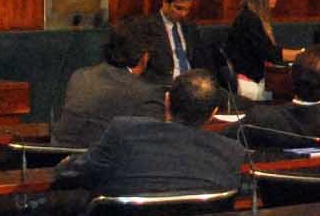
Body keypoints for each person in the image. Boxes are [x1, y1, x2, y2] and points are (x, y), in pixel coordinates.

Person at [51, 71, 244, 197]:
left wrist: (64, 165)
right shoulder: (231, 152)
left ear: (166, 101)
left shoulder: (125, 132)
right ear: (213, 114)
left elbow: (76, 172)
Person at [54, 29, 165, 148]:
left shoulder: (80, 75)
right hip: (100, 162)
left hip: (59, 159)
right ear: (145, 57)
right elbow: (151, 144)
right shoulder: (146, 93)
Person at [117, 0, 204, 83]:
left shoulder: (190, 28)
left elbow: (201, 63)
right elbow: (139, 67)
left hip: (192, 86)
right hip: (162, 87)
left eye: (187, 9)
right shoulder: (145, 27)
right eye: (179, 8)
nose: (184, 14)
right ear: (165, 2)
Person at [224, 0, 288, 99]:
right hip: (248, 86)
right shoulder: (248, 20)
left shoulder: (255, 17)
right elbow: (271, 53)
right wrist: (304, 54)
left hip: (258, 81)